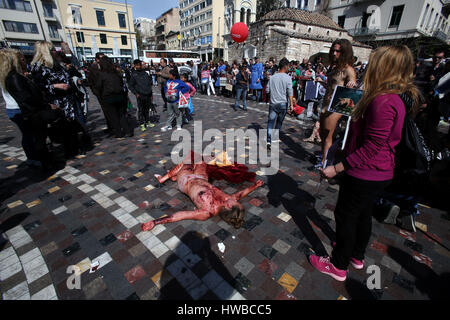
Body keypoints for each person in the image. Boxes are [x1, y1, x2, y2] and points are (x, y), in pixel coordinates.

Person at [309, 45, 420, 282]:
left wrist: (336, 168)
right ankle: (356, 256)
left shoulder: (383, 101)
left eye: (374, 62)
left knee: (346, 215)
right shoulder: (390, 98)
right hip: (376, 172)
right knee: (362, 215)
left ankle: (338, 265)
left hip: (366, 172)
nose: (368, 67)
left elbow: (372, 147)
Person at [141, 152, 264, 231]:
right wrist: (255, 186)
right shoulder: (230, 200)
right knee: (199, 157)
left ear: (227, 206)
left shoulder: (206, 212)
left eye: (232, 201)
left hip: (186, 180)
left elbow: (182, 215)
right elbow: (240, 194)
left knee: (189, 157)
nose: (233, 197)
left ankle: (165, 178)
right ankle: (174, 175)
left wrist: (155, 222)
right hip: (201, 177)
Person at [31, 41, 92, 158]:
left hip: (68, 99)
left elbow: (69, 76)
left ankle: (75, 147)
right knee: (62, 127)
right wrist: (55, 86)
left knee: (71, 125)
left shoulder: (57, 64)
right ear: (46, 52)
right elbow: (37, 87)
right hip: (56, 101)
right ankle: (69, 149)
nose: (55, 52)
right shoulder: (38, 67)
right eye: (53, 50)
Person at [1, 49, 59, 170]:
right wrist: (46, 106)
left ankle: (37, 158)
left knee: (32, 136)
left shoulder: (16, 75)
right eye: (22, 59)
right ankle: (38, 159)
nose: (25, 62)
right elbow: (26, 98)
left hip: (24, 109)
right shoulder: (13, 77)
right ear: (14, 61)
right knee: (34, 137)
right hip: (24, 110)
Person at [319, 39, 357, 166]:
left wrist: (352, 84)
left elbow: (353, 83)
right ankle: (324, 159)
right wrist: (322, 83)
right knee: (323, 135)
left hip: (335, 108)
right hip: (325, 104)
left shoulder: (348, 69)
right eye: (333, 50)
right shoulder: (334, 67)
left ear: (344, 52)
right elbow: (333, 85)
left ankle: (325, 163)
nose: (334, 53)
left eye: (338, 51)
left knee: (328, 136)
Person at [97, 56, 133, 138]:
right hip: (119, 95)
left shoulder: (102, 74)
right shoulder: (116, 73)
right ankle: (128, 131)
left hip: (109, 97)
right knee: (121, 114)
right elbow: (121, 83)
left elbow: (99, 86)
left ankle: (119, 133)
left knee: (114, 116)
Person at [265, 58, 295, 149]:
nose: (288, 68)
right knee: (279, 122)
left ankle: (269, 141)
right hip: (283, 104)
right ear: (285, 66)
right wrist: (291, 105)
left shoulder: (272, 77)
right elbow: (290, 92)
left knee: (270, 123)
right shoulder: (288, 78)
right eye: (288, 66)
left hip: (273, 103)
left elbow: (267, 90)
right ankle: (274, 138)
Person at [88, 52, 112, 134]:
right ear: (97, 59)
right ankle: (111, 127)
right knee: (106, 110)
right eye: (101, 59)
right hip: (100, 93)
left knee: (112, 109)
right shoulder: (93, 68)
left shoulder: (107, 67)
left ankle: (115, 126)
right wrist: (95, 92)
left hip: (109, 92)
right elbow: (91, 82)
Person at [128, 59, 155, 132]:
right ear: (135, 66)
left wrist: (151, 93)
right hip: (140, 95)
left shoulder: (145, 73)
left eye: (140, 64)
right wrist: (136, 93)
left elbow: (149, 83)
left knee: (147, 109)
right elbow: (130, 86)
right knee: (141, 110)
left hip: (147, 94)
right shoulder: (134, 74)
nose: (139, 66)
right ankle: (142, 123)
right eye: (137, 65)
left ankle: (147, 121)